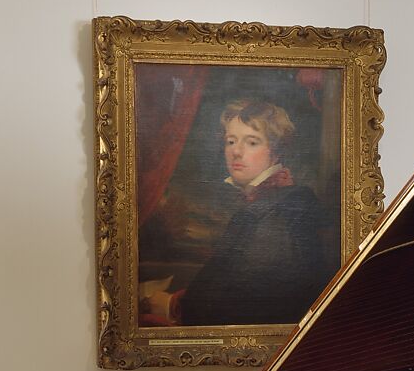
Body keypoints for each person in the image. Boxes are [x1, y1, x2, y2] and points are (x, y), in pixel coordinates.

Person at [141, 100, 334, 327]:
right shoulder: (266, 202)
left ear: (276, 151)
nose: (236, 151)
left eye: (252, 142)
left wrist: (172, 306)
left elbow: (250, 304)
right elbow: (230, 283)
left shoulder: (281, 209)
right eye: (230, 141)